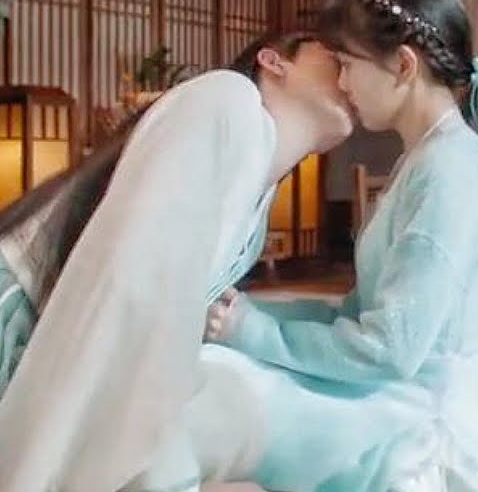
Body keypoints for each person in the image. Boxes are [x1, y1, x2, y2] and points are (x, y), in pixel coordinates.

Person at [204, 0, 478, 492]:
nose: (343, 83)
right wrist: (251, 317)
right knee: (225, 368)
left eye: (348, 64)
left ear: (403, 65)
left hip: (430, 424)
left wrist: (255, 332)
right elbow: (363, 313)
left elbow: (388, 347)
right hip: (405, 390)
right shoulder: (428, 157)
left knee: (226, 386)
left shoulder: (448, 171)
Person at [0, 30, 353, 492]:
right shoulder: (226, 100)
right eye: (333, 57)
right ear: (273, 62)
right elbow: (130, 286)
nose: (348, 75)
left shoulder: (258, 185)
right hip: (21, 317)